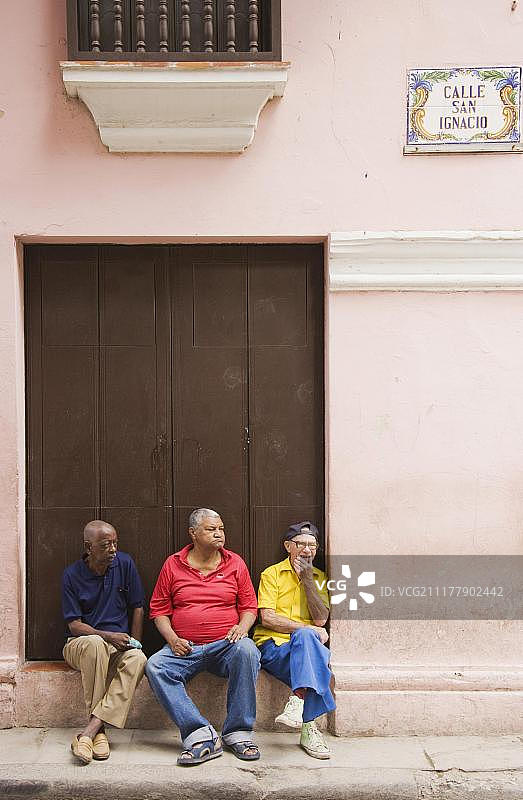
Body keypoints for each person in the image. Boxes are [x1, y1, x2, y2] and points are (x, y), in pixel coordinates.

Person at [145, 508, 260, 766]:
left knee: (248, 650)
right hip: (185, 648)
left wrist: (242, 627)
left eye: (221, 528)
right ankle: (199, 734)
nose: (219, 534)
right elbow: (159, 611)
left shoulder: (235, 563)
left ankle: (238, 732)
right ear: (193, 534)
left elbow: (250, 607)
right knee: (155, 665)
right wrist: (173, 639)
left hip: (226, 646)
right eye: (211, 529)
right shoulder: (173, 564)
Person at [61, 520, 147, 764]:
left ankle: (91, 731)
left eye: (115, 543)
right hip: (80, 644)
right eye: (105, 545)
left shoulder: (124, 564)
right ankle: (99, 732)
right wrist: (107, 635)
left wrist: (134, 642)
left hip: (118, 645)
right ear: (89, 547)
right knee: (95, 643)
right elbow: (75, 625)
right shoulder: (71, 575)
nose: (113, 550)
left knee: (138, 659)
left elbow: (138, 607)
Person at [253, 521, 335, 759]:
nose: (307, 550)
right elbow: (267, 617)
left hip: (305, 648)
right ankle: (310, 728)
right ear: (288, 546)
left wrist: (308, 580)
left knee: (309, 642)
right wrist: (307, 628)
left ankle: (297, 701)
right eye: (301, 544)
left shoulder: (319, 577)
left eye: (312, 545)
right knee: (316, 656)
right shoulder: (272, 574)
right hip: (273, 647)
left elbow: (321, 620)